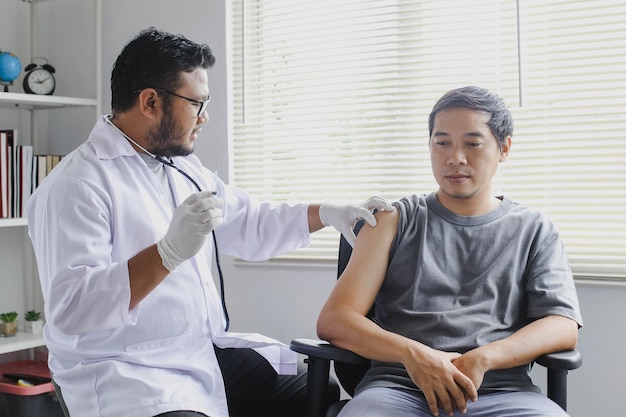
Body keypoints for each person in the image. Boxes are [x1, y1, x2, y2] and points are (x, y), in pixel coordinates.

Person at [25, 27, 391, 417]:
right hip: (126, 370)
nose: (205, 117)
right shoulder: (76, 186)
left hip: (197, 351)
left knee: (317, 390)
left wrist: (328, 213)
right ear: (149, 102)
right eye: (196, 103)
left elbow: (248, 222)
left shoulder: (181, 167)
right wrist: (166, 254)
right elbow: (73, 308)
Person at [316, 86, 583, 417]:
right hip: (398, 391)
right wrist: (416, 356)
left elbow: (562, 324)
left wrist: (483, 358)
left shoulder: (535, 229)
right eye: (442, 143)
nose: (455, 157)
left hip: (502, 394)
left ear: (504, 148)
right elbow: (335, 319)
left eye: (472, 143)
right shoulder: (391, 221)